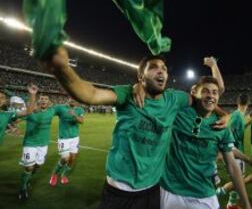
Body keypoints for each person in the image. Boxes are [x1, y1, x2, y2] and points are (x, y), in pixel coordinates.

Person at [45, 47, 228, 209]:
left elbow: (204, 99)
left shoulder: (175, 99)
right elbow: (91, 95)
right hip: (120, 191)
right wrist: (62, 69)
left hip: (153, 190)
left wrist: (224, 114)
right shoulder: (127, 95)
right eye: (154, 67)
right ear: (141, 77)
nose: (161, 71)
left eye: (164, 68)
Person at [160, 76, 252, 209]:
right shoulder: (178, 112)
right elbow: (156, 95)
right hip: (171, 191)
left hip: (204, 194)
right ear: (194, 93)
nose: (210, 95)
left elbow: (232, 166)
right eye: (205, 91)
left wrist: (246, 203)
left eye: (215, 92)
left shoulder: (221, 127)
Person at [18, 94, 58, 200]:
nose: (43, 100)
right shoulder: (31, 112)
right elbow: (17, 118)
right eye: (41, 99)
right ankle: (22, 188)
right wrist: (12, 127)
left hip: (43, 144)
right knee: (28, 167)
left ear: (49, 102)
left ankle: (27, 179)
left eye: (46, 99)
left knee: (38, 165)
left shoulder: (51, 111)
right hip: (30, 143)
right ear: (38, 101)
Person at [49, 98, 85, 186]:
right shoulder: (60, 108)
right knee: (65, 158)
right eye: (71, 98)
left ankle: (64, 175)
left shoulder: (80, 109)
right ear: (68, 98)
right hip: (63, 138)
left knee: (72, 158)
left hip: (75, 138)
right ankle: (54, 175)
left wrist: (75, 115)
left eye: (74, 98)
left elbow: (81, 121)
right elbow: (49, 113)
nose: (73, 100)